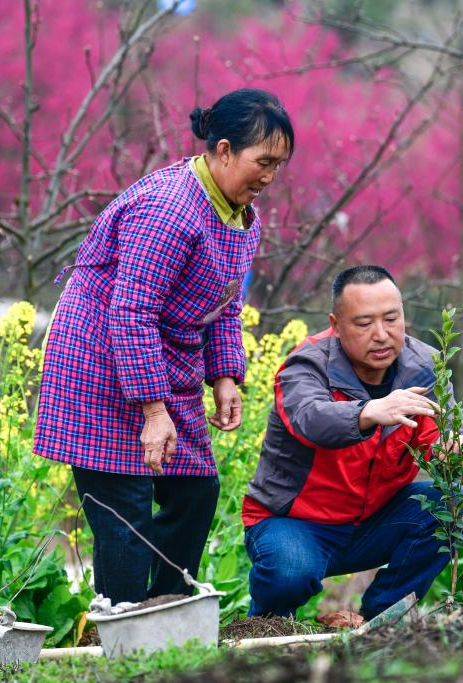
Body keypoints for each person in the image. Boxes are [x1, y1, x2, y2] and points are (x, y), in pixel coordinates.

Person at [33, 88, 294, 603]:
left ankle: (167, 610)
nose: (269, 177)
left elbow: (222, 302)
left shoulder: (240, 214)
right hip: (99, 362)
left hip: (157, 358)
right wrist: (154, 409)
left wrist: (223, 376)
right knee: (124, 512)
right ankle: (121, 632)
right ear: (223, 150)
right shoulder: (170, 208)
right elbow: (130, 310)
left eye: (278, 166)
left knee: (195, 488)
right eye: (262, 162)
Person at [242, 265, 457, 622]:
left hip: (373, 522)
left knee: (449, 504)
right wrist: (369, 411)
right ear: (336, 324)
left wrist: (455, 448)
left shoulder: (426, 367)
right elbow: (311, 419)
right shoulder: (307, 366)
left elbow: (444, 435)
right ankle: (267, 625)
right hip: (295, 523)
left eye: (392, 319)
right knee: (290, 572)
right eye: (364, 323)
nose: (382, 335)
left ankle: (383, 617)